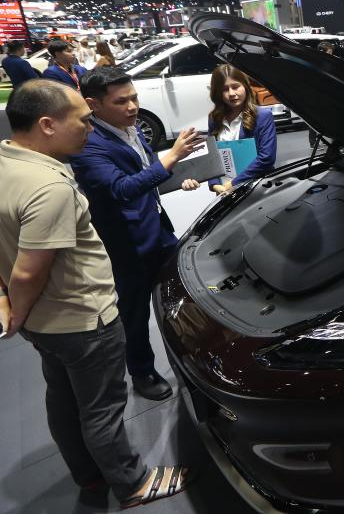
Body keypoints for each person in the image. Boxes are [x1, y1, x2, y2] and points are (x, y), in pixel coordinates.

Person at [0, 79, 190, 507]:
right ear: (47, 124)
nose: (90, 127)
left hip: (45, 323)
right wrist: (17, 311)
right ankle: (134, 483)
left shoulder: (8, 162)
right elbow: (30, 271)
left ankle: (88, 476)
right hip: (83, 318)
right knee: (102, 409)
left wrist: (13, 306)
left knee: (64, 400)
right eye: (82, 120)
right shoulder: (48, 187)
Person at [70, 67, 204, 400]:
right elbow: (121, 189)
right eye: (121, 101)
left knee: (182, 293)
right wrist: (172, 158)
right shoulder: (87, 145)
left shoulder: (128, 128)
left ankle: (193, 356)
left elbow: (142, 167)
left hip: (157, 227)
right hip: (126, 242)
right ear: (93, 104)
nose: (132, 107)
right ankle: (142, 372)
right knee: (134, 312)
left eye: (134, 98)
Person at [200, 65, 277, 195]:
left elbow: (266, 158)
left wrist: (233, 183)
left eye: (235, 87)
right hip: (224, 190)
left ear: (245, 86)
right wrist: (214, 184)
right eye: (225, 89)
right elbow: (211, 155)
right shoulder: (214, 118)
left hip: (257, 189)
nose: (231, 93)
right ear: (217, 93)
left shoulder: (262, 116)